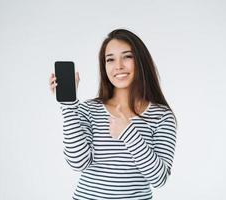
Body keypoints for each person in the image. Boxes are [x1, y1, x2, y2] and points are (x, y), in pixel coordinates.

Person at [49, 29, 177, 200]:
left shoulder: (161, 116)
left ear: (141, 61)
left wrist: (128, 133)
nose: (118, 66)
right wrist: (68, 106)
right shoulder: (89, 110)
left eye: (127, 56)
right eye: (110, 59)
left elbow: (159, 178)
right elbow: (78, 162)